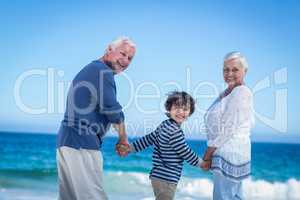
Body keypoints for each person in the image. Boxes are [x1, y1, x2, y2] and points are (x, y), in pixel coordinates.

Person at [56, 36, 136, 200]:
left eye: (130, 58)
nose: (125, 61)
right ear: (109, 49)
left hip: (68, 141)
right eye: (123, 54)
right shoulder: (102, 71)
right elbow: (113, 110)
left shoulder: (94, 69)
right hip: (81, 143)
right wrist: (123, 138)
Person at [127, 91, 203, 200]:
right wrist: (202, 163)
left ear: (190, 113)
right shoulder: (174, 131)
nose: (181, 112)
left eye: (185, 109)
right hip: (167, 178)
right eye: (177, 108)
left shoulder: (164, 125)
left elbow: (148, 139)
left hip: (158, 176)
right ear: (169, 109)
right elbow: (186, 153)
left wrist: (131, 148)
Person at [201, 52, 255, 199]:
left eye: (235, 69)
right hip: (225, 152)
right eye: (226, 69)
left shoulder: (241, 92)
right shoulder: (227, 92)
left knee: (223, 196)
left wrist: (208, 154)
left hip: (229, 153)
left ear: (245, 71)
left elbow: (228, 128)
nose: (229, 73)